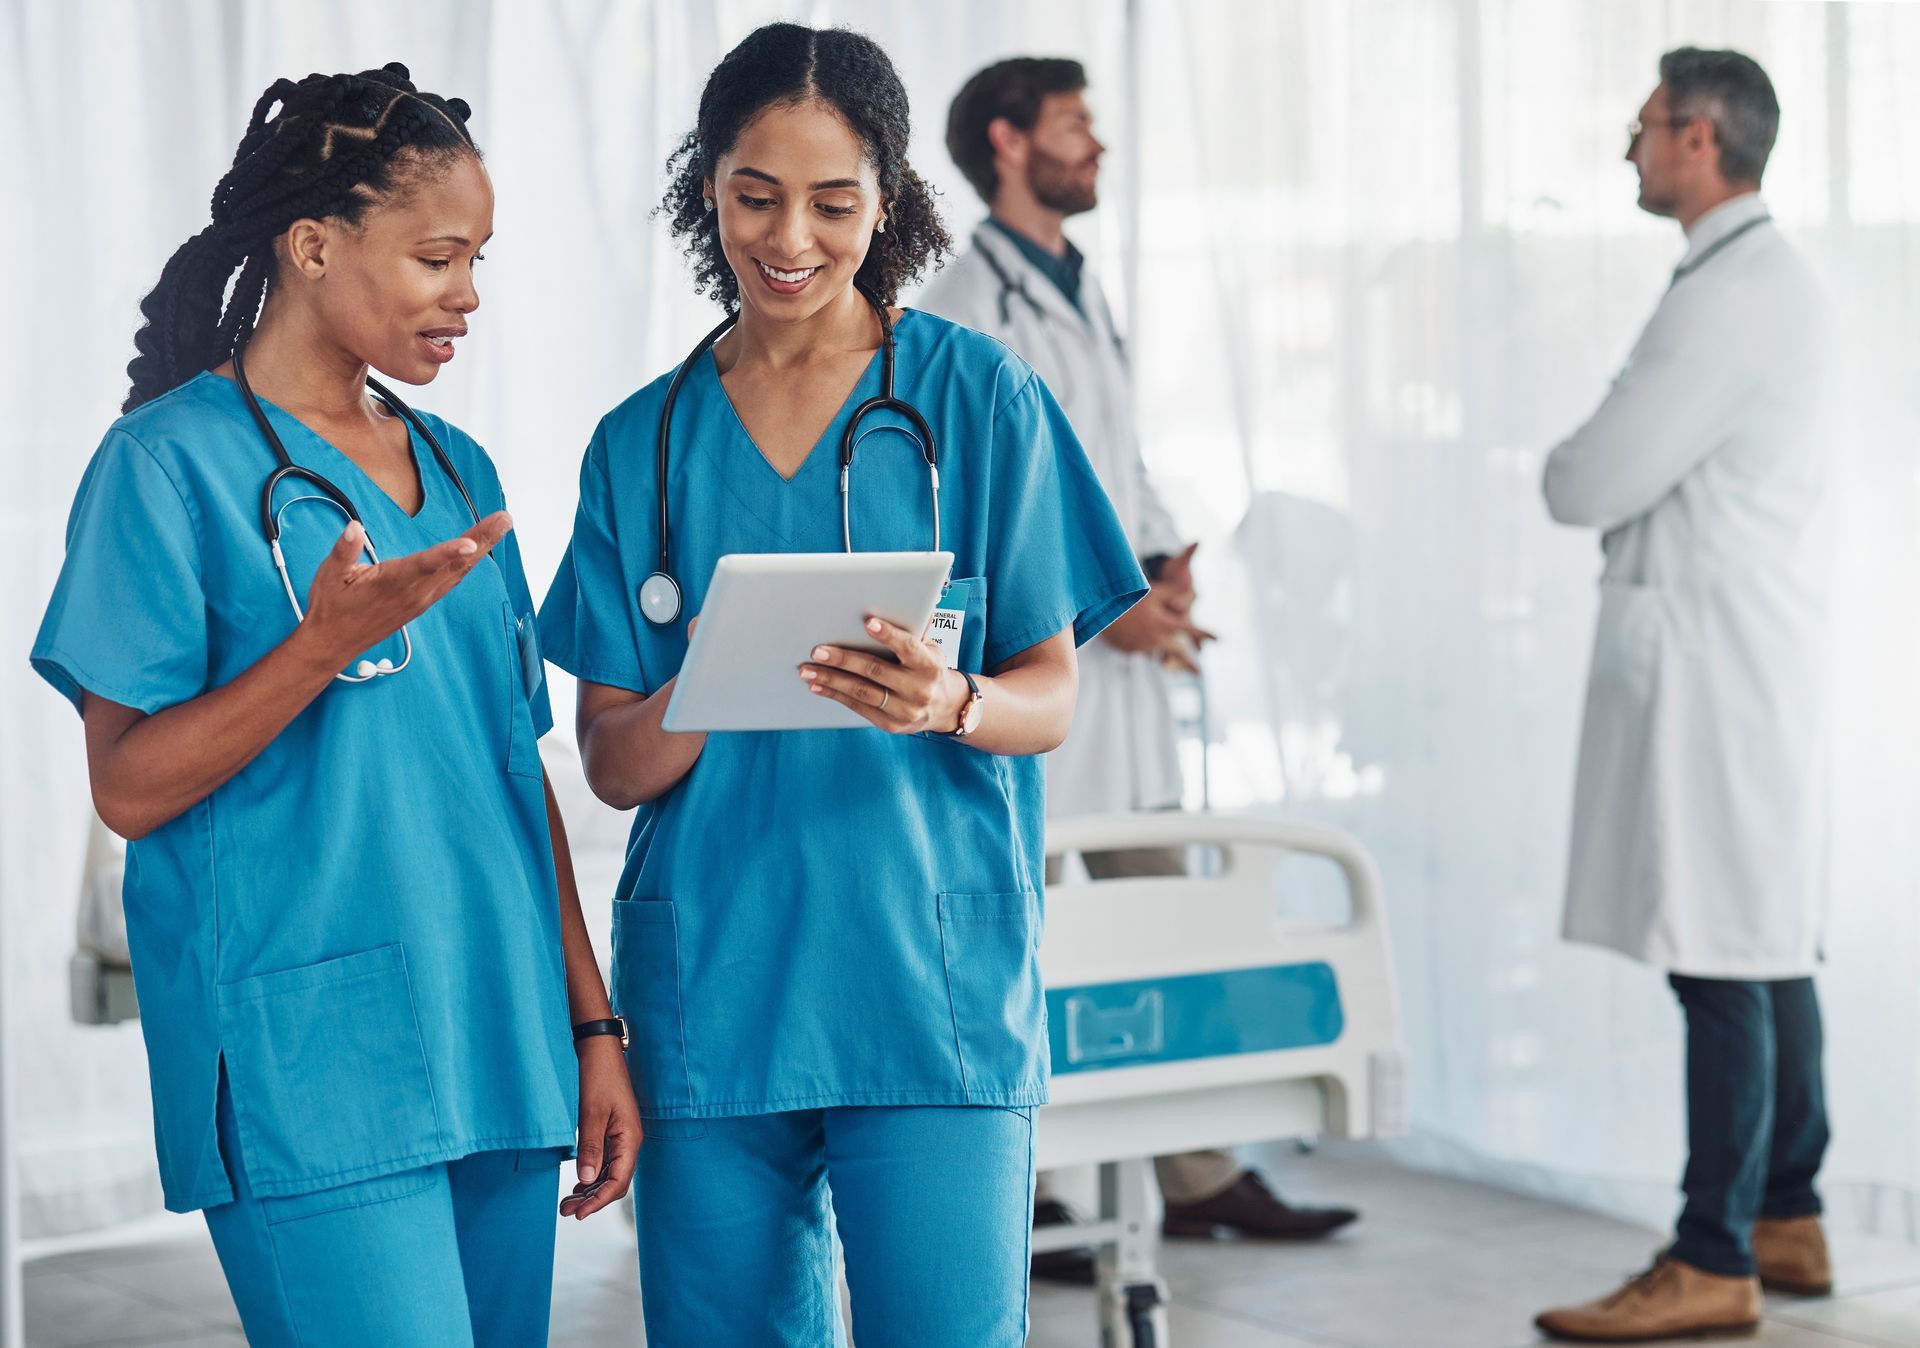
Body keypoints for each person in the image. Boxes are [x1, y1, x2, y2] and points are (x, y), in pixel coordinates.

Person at [535, 24, 1145, 1348]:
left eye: (833, 200)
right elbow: (612, 763)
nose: (790, 237)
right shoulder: (641, 444)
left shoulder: (977, 398)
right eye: (755, 194)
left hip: (929, 987)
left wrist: (953, 704)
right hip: (717, 998)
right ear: (708, 185)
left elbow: (1050, 693)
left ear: (889, 198)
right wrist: (709, 681)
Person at [28, 65, 640, 1346]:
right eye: (437, 257)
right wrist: (315, 648)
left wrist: (590, 1023)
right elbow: (128, 786)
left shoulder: (457, 469)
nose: (468, 293)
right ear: (313, 245)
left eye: (478, 258)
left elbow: (513, 769)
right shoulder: (163, 468)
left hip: (498, 1029)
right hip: (308, 1058)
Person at [919, 56, 1358, 1281]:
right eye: (1074, 128)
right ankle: (1055, 1194)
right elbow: (986, 496)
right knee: (1059, 934)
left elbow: (1115, 455)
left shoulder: (1074, 284)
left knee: (1164, 917)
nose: (1095, 149)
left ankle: (1203, 1165)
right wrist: (1108, 603)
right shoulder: (965, 301)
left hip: (1117, 659)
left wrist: (1161, 556)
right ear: (1008, 141)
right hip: (1049, 660)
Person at [1534, 47, 1834, 1344]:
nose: (1630, 147)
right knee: (1763, 945)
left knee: (1723, 952)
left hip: (1714, 660)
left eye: (1645, 125)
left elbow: (1586, 480)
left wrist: (1575, 447)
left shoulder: (1731, 296)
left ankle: (1713, 1254)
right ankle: (1788, 1214)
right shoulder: (1754, 280)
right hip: (1741, 650)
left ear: (1701, 139)